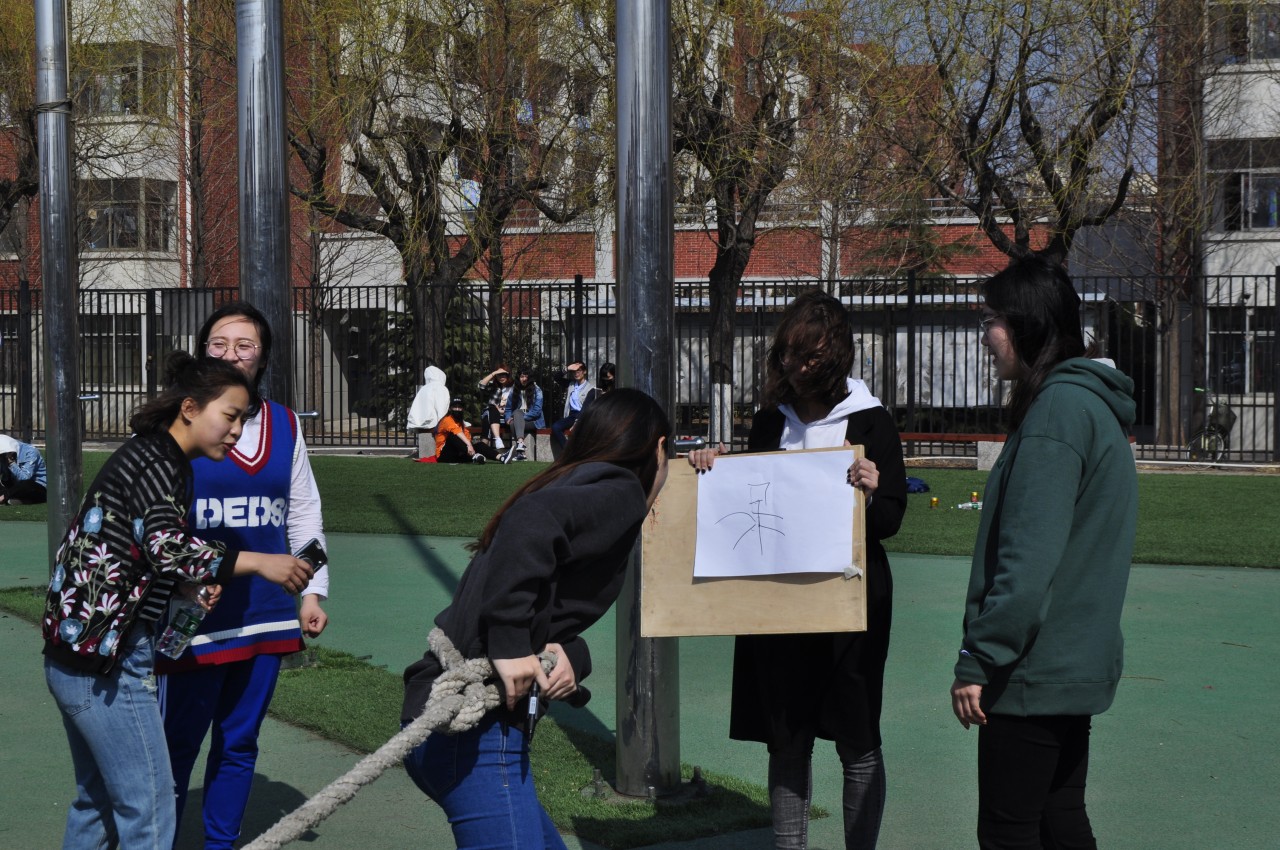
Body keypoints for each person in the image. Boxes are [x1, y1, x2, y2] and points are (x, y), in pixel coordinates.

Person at [42, 353, 314, 850]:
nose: (237, 431)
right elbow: (166, 545)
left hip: (76, 655)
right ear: (189, 408)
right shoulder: (159, 462)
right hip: (108, 663)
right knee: (149, 805)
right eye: (229, 416)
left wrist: (183, 586)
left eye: (243, 419)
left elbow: (134, 550)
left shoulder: (154, 456)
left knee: (97, 802)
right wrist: (259, 561)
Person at [401, 388, 672, 850]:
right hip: (476, 734)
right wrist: (510, 644)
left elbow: (549, 607)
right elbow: (532, 523)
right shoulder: (622, 490)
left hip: (445, 717)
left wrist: (573, 655)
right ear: (659, 449)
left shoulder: (569, 481)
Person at [687, 289, 907, 850]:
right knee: (786, 738)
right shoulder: (769, 423)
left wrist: (874, 491)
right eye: (787, 353)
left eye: (809, 356)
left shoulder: (872, 420)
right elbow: (748, 500)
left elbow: (889, 520)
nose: (795, 366)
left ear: (835, 357)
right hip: (779, 605)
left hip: (852, 605)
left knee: (858, 738)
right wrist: (712, 466)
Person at [950, 257, 1138, 848]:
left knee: (1010, 830)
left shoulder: (1057, 413)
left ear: (1026, 325)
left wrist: (978, 658)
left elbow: (1027, 564)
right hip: (1069, 663)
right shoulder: (1088, 406)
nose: (985, 336)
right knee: (1060, 819)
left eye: (991, 320)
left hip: (1033, 670)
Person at [158, 301, 332, 850]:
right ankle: (155, 840)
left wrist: (313, 591)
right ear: (202, 351)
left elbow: (304, 512)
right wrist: (179, 583)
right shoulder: (180, 422)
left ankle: (221, 844)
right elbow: (155, 521)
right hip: (193, 616)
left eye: (244, 346)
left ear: (263, 358)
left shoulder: (285, 424)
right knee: (175, 744)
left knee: (239, 742)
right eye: (219, 344)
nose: (231, 354)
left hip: (265, 613)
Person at [502, 366, 545, 462]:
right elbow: (508, 409)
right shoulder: (514, 390)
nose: (524, 379)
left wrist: (519, 418)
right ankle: (521, 445)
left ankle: (520, 453)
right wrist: (508, 418)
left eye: (526, 376)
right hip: (518, 420)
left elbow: (537, 411)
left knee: (517, 415)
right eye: (522, 376)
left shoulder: (537, 390)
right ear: (519, 378)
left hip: (534, 422)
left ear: (530, 378)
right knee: (515, 418)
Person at [408, 364, 450, 460]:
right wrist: (444, 424)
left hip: (420, 423)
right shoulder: (441, 388)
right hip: (433, 423)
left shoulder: (424, 389)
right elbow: (441, 408)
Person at [436, 398, 497, 464]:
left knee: (480, 445)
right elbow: (457, 432)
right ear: (450, 409)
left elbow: (467, 437)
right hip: (444, 455)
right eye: (455, 407)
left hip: (459, 454)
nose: (457, 409)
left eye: (459, 407)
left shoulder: (461, 423)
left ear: (462, 409)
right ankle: (474, 456)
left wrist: (471, 447)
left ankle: (501, 457)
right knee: (453, 435)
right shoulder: (446, 420)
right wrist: (469, 445)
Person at [549, 360, 593, 450]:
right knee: (556, 427)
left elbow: (586, 407)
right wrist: (567, 368)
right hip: (571, 416)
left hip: (583, 415)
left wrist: (577, 421)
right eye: (574, 371)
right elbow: (556, 377)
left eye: (579, 370)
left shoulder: (591, 388)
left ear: (584, 371)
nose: (576, 373)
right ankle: (567, 451)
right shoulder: (571, 384)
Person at [0, 433, 47, 505]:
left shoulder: (30, 452)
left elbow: (24, 478)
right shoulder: (3, 455)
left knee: (26, 484)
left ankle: (5, 498)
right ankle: (15, 499)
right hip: (14, 487)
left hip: (36, 486)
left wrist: (11, 463)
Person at [477, 366, 514, 450]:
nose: (501, 377)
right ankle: (497, 439)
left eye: (504, 375)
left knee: (487, 418)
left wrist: (505, 411)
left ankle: (482, 450)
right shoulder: (494, 386)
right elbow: (481, 385)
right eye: (499, 375)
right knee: (492, 409)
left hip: (507, 416)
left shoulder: (513, 387)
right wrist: (494, 373)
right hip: (493, 414)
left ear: (508, 375)